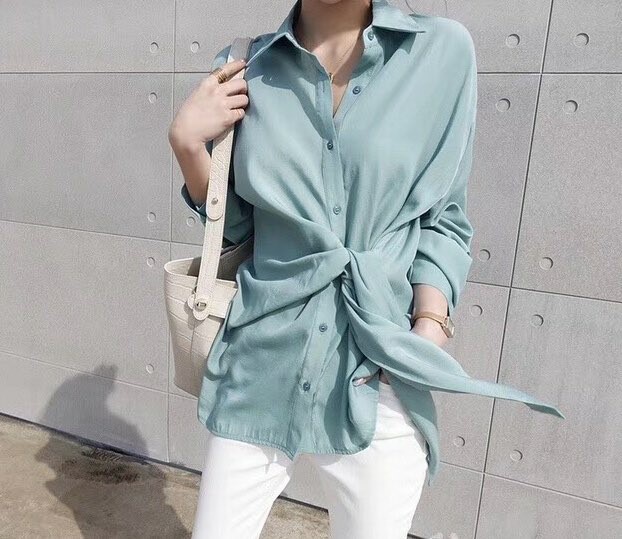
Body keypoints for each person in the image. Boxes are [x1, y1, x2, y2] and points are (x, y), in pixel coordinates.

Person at [168, 1, 565, 537]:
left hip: (377, 369)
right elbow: (238, 228)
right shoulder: (244, 67)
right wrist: (188, 145)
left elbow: (444, 215)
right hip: (260, 361)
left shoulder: (440, 52)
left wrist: (429, 328)